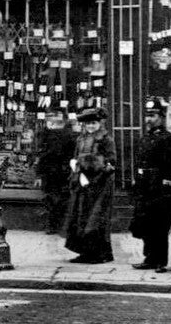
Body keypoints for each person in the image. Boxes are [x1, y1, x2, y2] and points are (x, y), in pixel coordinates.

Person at [129, 97, 171, 272]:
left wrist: (167, 188)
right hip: (145, 188)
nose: (149, 119)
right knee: (145, 224)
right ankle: (149, 258)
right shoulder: (146, 138)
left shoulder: (168, 139)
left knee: (160, 226)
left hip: (159, 189)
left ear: (162, 116)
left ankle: (160, 262)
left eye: (153, 115)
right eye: (147, 115)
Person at [63, 107, 116, 264]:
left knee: (96, 219)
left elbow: (111, 162)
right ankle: (85, 252)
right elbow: (75, 158)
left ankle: (100, 254)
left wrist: (95, 171)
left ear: (100, 123)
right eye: (88, 124)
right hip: (83, 182)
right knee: (81, 217)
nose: (91, 126)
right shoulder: (81, 139)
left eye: (93, 123)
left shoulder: (106, 139)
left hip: (100, 184)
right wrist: (76, 170)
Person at [35, 109, 77, 234]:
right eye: (51, 116)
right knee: (51, 199)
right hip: (51, 171)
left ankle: (61, 225)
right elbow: (42, 155)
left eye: (55, 115)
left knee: (63, 198)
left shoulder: (69, 134)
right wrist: (39, 173)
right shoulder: (45, 134)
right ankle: (54, 225)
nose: (52, 118)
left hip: (64, 171)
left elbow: (72, 154)